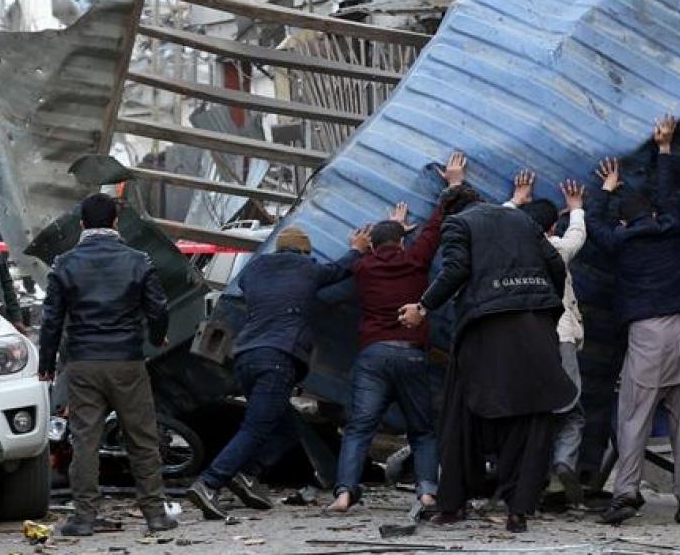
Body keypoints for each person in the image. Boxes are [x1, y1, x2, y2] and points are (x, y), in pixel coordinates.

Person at [402, 167, 574, 534]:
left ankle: (452, 505)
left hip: (487, 327)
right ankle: (518, 510)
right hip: (536, 327)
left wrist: (423, 307)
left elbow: (455, 271)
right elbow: (555, 263)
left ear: (449, 211)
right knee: (529, 417)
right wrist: (546, 306)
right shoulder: (521, 221)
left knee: (461, 414)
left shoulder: (457, 225)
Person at [188, 224, 371, 521]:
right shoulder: (307, 269)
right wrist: (357, 249)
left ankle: (247, 474)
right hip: (277, 357)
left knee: (285, 428)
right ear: (304, 251)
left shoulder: (254, 269)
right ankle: (210, 482)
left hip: (246, 356)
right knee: (256, 426)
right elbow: (340, 270)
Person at [326, 154, 467, 518]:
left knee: (359, 429)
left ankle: (344, 494)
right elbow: (435, 227)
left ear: (372, 247)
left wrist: (365, 244)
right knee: (421, 430)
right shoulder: (415, 259)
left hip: (373, 354)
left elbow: (345, 265)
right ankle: (426, 493)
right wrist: (452, 185)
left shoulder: (363, 266)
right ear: (403, 242)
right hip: (410, 353)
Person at [37, 193, 176, 536]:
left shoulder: (64, 264)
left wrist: (47, 364)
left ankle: (84, 517)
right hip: (127, 362)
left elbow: (51, 319)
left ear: (82, 224)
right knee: (142, 439)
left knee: (85, 440)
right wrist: (157, 337)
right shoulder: (138, 260)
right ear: (116, 222)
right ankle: (156, 515)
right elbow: (158, 309)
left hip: (83, 364)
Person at [588, 116, 680, 526]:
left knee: (633, 415)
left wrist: (604, 191)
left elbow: (596, 229)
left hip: (648, 333)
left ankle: (626, 493)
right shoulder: (671, 229)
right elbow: (667, 194)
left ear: (625, 220)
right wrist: (665, 148)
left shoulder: (622, 242)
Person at [506, 171, 588, 505]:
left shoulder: (510, 248)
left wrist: (515, 199)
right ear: (552, 227)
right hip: (562, 337)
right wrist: (577, 207)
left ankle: (528, 478)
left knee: (531, 411)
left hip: (525, 340)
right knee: (571, 408)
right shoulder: (556, 249)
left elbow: (498, 220)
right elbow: (577, 237)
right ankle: (563, 462)